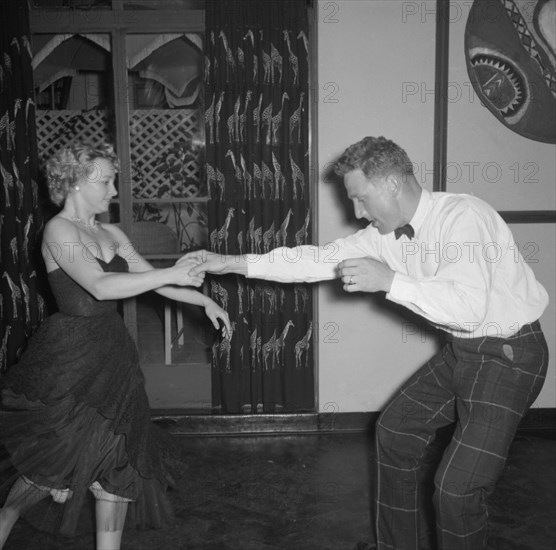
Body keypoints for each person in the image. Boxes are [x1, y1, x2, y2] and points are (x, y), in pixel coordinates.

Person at [180, 136, 549, 550]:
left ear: (391, 183)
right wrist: (228, 262)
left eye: (360, 199)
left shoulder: (463, 217)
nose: (357, 212)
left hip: (508, 355)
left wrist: (390, 280)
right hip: (462, 351)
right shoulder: (382, 235)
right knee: (395, 429)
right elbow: (312, 259)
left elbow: (470, 310)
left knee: (457, 490)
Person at [0, 141, 231, 550]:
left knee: (119, 462)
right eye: (105, 181)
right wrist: (169, 276)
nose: (113, 191)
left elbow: (148, 276)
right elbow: (101, 286)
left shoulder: (111, 231)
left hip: (114, 354)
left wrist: (203, 298)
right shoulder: (59, 230)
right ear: (73, 182)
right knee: (50, 466)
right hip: (70, 358)